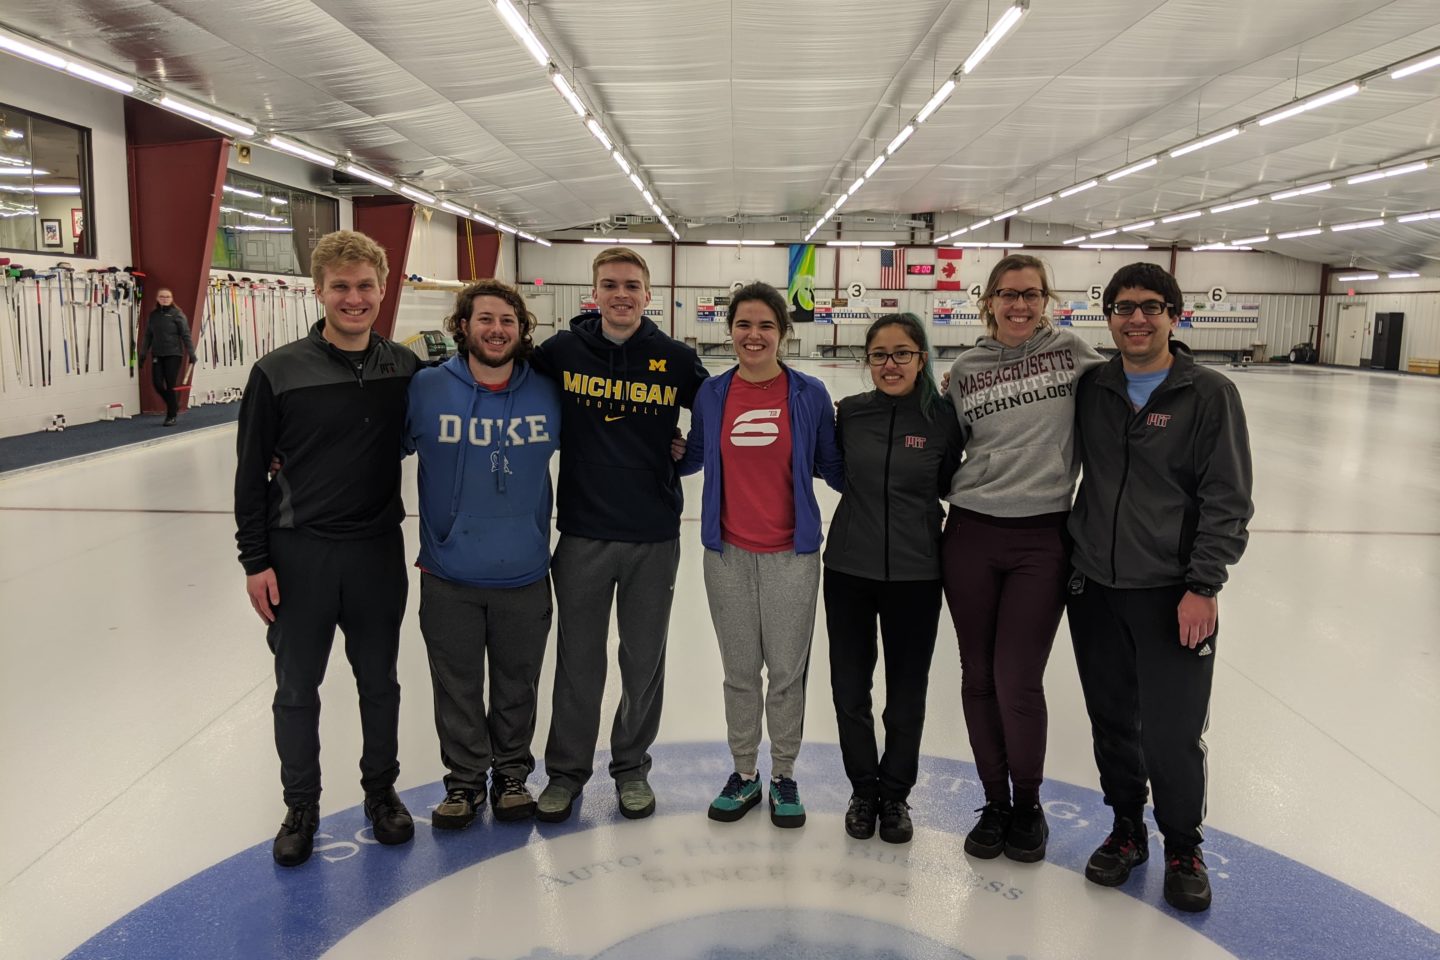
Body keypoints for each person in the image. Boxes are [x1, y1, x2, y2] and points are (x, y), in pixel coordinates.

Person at [1067, 261, 1253, 913]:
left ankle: (1182, 845)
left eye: (1151, 306)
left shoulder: (1208, 394)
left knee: (1171, 732)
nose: (1137, 318)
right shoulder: (1092, 386)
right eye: (1123, 307)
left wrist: (1203, 585)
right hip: (1094, 587)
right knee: (1112, 721)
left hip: (1173, 593)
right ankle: (1127, 832)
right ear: (1109, 316)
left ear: (1175, 315)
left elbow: (1228, 498)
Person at [234, 230, 419, 867]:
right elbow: (250, 470)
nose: (354, 298)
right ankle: (301, 804)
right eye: (340, 286)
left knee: (379, 683)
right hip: (299, 555)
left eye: (365, 285)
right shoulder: (277, 372)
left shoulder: (404, 368)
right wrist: (254, 560)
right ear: (318, 291)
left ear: (382, 287)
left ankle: (382, 792)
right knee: (296, 689)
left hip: (375, 552)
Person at [529, 246, 708, 823]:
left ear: (649, 294)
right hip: (582, 533)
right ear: (595, 293)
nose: (621, 294)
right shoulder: (560, 352)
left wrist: (684, 459)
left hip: (653, 535)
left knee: (642, 659)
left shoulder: (676, 359)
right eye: (610, 285)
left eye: (632, 284)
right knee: (579, 661)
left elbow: (719, 417)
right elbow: (503, 386)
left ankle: (631, 767)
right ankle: (565, 773)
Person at [941, 253, 1105, 863]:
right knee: (977, 677)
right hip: (971, 534)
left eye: (1031, 295)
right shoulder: (964, 369)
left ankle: (1028, 801)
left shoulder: (1073, 353)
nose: (1019, 305)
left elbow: (1133, 381)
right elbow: (945, 446)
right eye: (1008, 295)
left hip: (1042, 537)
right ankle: (994, 801)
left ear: (1047, 300)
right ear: (987, 302)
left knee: (1017, 678)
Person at [677, 281, 843, 828]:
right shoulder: (713, 394)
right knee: (740, 671)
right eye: (744, 325)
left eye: (766, 325)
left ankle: (785, 775)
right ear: (730, 331)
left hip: (792, 556)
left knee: (788, 672)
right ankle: (745, 773)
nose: (754, 335)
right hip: (726, 555)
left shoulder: (809, 393)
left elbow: (832, 465)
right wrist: (643, 447)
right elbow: (696, 454)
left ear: (783, 333)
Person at [405, 279, 561, 829]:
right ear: (464, 326)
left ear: (521, 331)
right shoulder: (424, 387)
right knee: (457, 685)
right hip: (449, 571)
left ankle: (512, 774)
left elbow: (607, 439)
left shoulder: (546, 389)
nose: (497, 330)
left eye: (508, 321)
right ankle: (466, 782)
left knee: (518, 683)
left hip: (523, 572)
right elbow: (367, 445)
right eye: (486, 319)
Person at [824, 314, 963, 843]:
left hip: (917, 573)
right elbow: (832, 470)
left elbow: (952, 480)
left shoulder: (942, 418)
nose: (890, 364)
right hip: (848, 569)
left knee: (907, 692)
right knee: (849, 688)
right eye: (879, 354)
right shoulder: (850, 416)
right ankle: (864, 789)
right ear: (867, 361)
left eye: (902, 353)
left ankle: (896, 795)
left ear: (921, 358)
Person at [140, 287, 197, 426]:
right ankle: (173, 404)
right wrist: (142, 354)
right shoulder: (153, 315)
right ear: (157, 298)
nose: (164, 299)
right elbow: (148, 336)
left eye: (167, 297)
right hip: (157, 354)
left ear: (171, 299)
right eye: (162, 296)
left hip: (174, 354)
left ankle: (171, 416)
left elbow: (186, 335)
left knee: (171, 384)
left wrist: (191, 353)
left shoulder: (177, 314)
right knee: (157, 383)